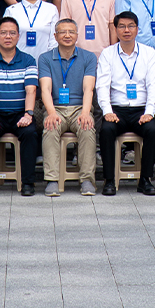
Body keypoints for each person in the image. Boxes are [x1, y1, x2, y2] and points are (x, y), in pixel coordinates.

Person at [95, 11, 155, 196]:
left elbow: (153, 85)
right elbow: (102, 85)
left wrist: (149, 112)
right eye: (122, 26)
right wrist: (107, 111)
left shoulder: (148, 53)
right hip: (116, 110)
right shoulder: (108, 53)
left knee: (153, 130)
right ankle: (109, 180)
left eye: (131, 26)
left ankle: (145, 180)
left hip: (141, 110)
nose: (126, 30)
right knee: (106, 130)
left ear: (137, 29)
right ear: (116, 30)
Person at [0, 18, 41, 196]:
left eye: (12, 33)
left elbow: (31, 90)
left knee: (30, 133)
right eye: (3, 33)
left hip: (21, 113)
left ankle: (28, 183)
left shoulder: (28, 60)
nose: (8, 36)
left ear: (18, 36)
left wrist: (28, 114)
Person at [37, 19, 98, 197]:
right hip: (55, 108)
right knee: (50, 127)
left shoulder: (89, 57)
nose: (67, 35)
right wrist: (51, 113)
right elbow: (45, 89)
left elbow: (88, 88)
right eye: (62, 32)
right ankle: (52, 180)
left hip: (80, 108)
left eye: (71, 32)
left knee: (87, 128)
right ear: (55, 36)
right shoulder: (45, 58)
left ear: (77, 36)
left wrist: (85, 113)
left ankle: (87, 180)